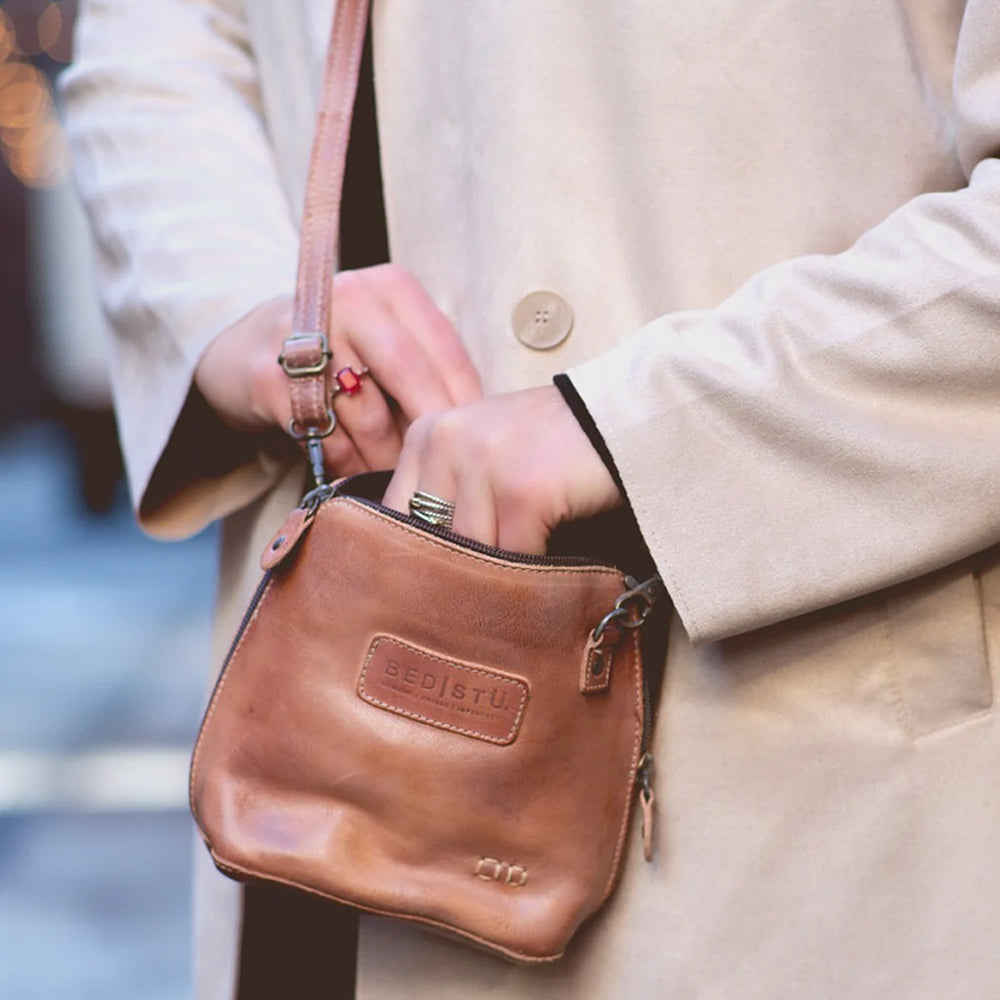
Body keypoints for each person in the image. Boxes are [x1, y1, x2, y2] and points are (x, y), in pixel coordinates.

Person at [63, 1, 1000, 998]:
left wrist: (638, 426)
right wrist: (232, 299)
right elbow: (157, 35)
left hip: (785, 759)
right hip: (324, 742)